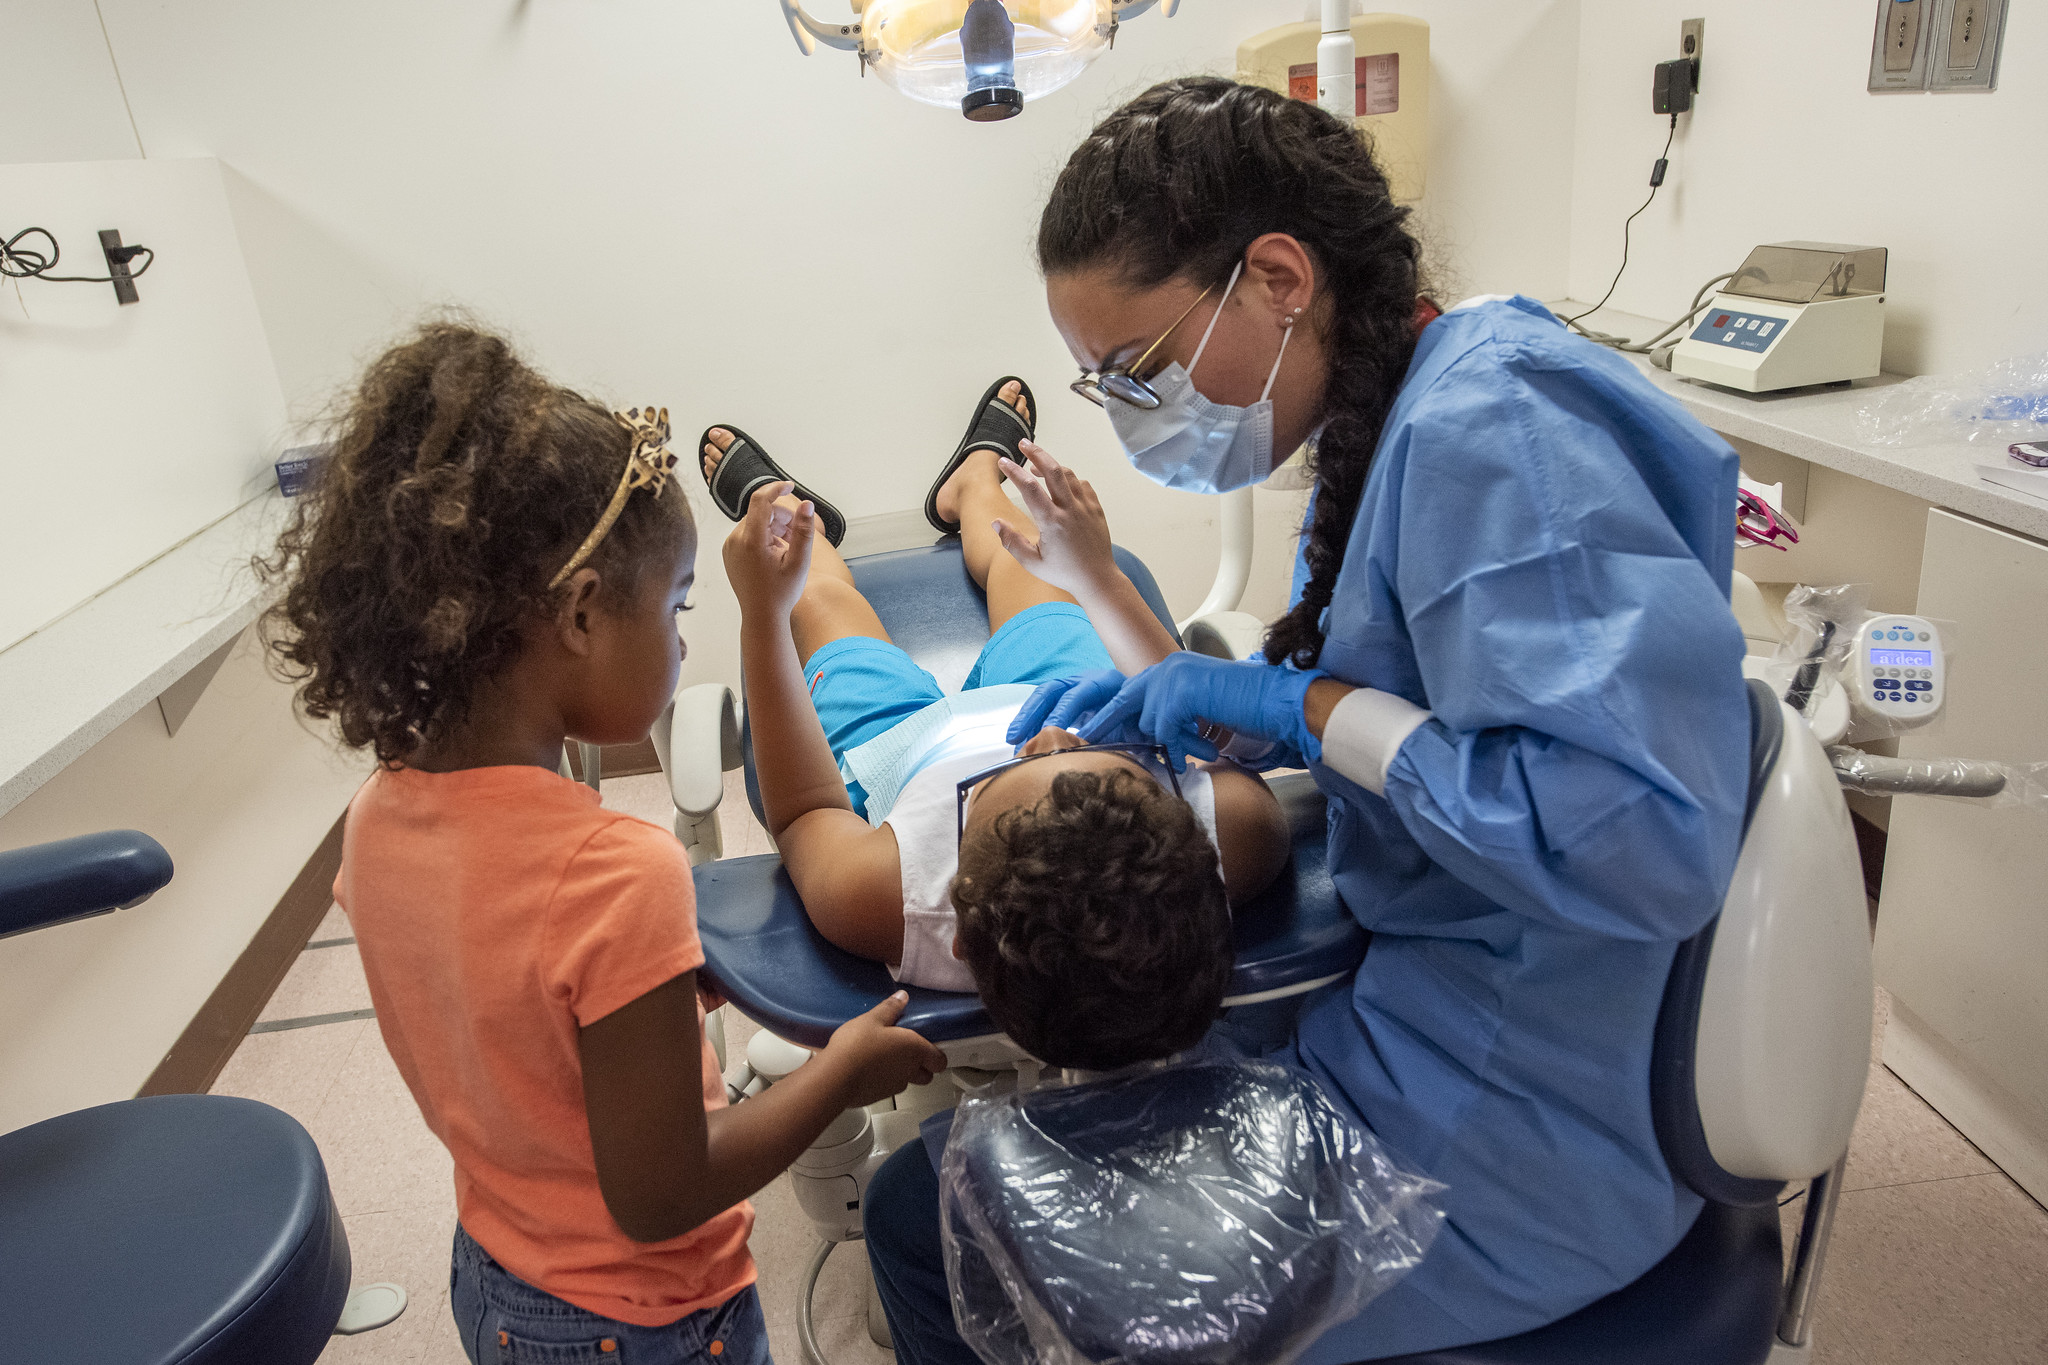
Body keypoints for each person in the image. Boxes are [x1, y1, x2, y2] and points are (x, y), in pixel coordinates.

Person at [863, 78, 1752, 1362]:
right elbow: (1463, 708)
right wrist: (1262, 720)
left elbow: (1639, 844)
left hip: (1502, 1143)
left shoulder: (1488, 431)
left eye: (1138, 371)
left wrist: (1300, 702)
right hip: (1435, 1019)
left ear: (1277, 276)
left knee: (921, 1208)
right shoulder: (1410, 404)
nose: (1125, 416)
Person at [257, 322, 944, 1365]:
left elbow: (500, 1007)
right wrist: (836, 1077)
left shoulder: (380, 813)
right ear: (579, 613)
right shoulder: (614, 871)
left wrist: (663, 991)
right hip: (641, 1322)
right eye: (675, 607)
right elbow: (664, 1191)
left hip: (497, 1270)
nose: (677, 640)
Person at [698, 380, 1287, 1067]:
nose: (1043, 738)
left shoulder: (886, 896)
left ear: (958, 929)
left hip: (903, 751)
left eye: (1014, 768)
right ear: (1198, 844)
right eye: (1127, 766)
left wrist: (763, 614)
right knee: (1026, 564)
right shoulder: (1244, 834)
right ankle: (974, 485)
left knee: (821, 599)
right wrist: (1098, 577)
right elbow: (1191, 700)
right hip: (1069, 691)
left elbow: (804, 811)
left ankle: (795, 525)